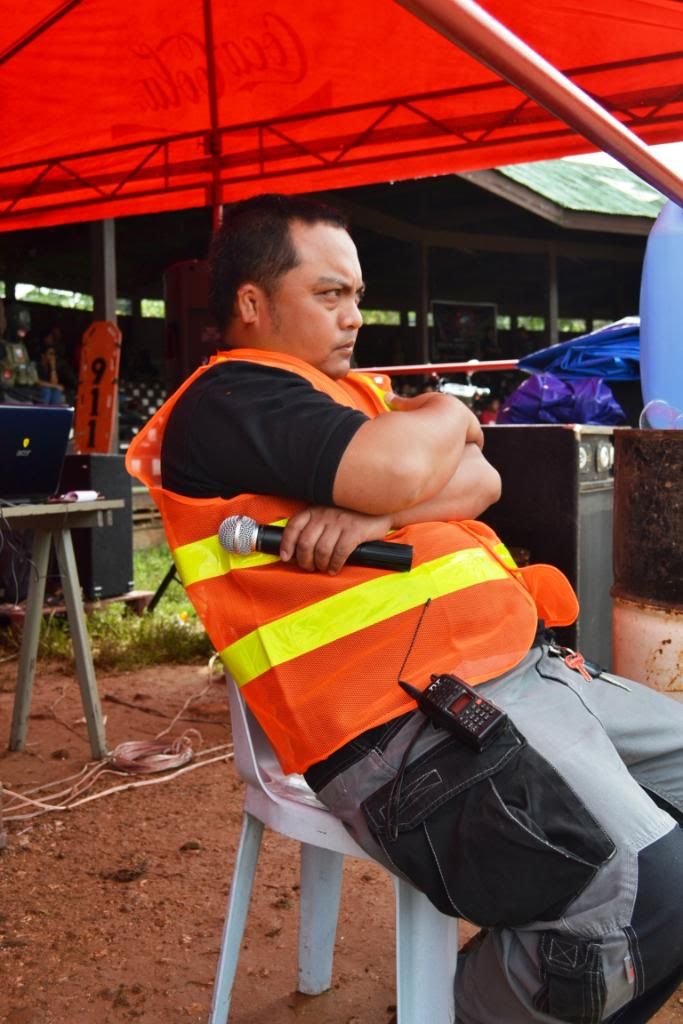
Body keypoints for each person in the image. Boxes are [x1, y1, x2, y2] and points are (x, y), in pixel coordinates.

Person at [126, 194, 683, 1024]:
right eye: (329, 295)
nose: (354, 316)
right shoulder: (236, 395)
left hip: (509, 676)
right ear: (251, 303)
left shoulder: (341, 397)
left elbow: (480, 482)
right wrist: (449, 412)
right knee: (643, 889)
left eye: (355, 294)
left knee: (660, 877)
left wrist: (384, 513)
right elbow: (417, 466)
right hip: (403, 723)